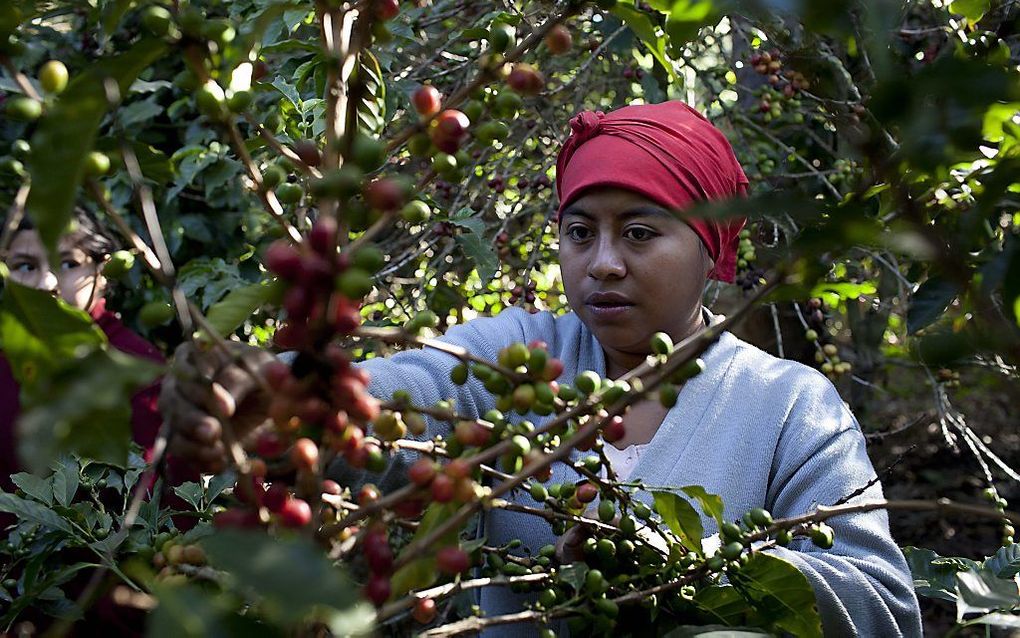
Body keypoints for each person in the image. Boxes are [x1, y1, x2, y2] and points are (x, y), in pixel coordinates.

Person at [161, 101, 923, 636]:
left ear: (713, 250)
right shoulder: (519, 361)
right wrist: (296, 394)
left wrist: (689, 578)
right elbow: (414, 394)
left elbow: (881, 607)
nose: (604, 264)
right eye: (580, 232)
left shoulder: (788, 406)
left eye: (640, 232)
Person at [0, 209, 194, 495]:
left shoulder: (139, 367)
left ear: (101, 272)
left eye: (67, 264)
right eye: (26, 267)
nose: (47, 284)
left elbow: (168, 496)